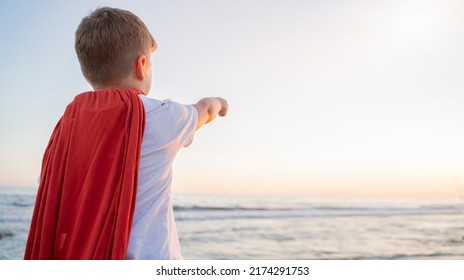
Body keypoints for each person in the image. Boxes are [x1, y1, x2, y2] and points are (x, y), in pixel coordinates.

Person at [24, 7, 228, 260]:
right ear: (141, 65)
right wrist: (219, 102)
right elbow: (205, 110)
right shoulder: (162, 116)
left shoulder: (65, 130)